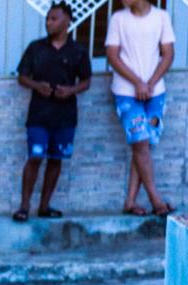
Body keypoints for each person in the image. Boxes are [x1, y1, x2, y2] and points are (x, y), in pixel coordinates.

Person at [14, 3, 92, 223]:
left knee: (56, 160)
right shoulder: (36, 48)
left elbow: (86, 81)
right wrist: (37, 86)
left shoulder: (78, 51)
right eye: (48, 19)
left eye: (54, 19)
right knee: (35, 156)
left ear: (67, 21)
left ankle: (44, 206)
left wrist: (71, 91)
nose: (49, 22)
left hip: (65, 116)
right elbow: (22, 77)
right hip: (39, 115)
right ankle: (24, 206)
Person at [106, 0, 175, 217]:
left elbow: (168, 54)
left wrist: (150, 83)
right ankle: (156, 200)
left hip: (155, 92)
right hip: (126, 91)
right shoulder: (118, 19)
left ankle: (130, 201)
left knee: (144, 144)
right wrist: (137, 82)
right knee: (140, 142)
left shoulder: (161, 17)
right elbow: (112, 55)